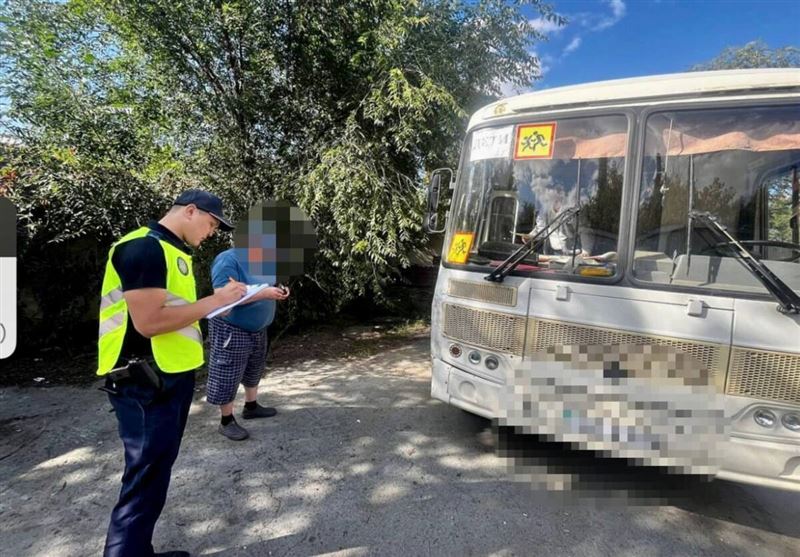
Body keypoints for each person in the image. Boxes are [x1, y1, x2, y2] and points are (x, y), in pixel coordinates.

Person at [97, 189, 246, 557]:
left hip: (167, 378)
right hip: (143, 383)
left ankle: (138, 551)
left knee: (154, 474)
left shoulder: (172, 251)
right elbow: (148, 323)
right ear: (190, 211)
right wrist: (215, 301)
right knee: (144, 479)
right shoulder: (145, 248)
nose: (211, 232)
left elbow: (179, 313)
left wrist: (219, 305)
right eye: (211, 224)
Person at [206, 247, 290, 440]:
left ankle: (251, 406)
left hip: (259, 328)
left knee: (254, 368)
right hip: (232, 327)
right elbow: (221, 299)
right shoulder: (227, 260)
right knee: (227, 373)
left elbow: (269, 285)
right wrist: (265, 294)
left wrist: (280, 290)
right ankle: (226, 420)